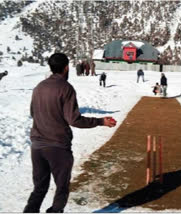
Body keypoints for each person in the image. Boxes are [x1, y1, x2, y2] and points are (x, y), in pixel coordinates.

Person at [23, 53, 117, 213]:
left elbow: (33, 112)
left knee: (39, 188)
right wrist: (101, 121)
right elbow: (74, 120)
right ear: (66, 68)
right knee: (62, 188)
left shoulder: (39, 87)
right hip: (58, 147)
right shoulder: (66, 88)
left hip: (37, 147)